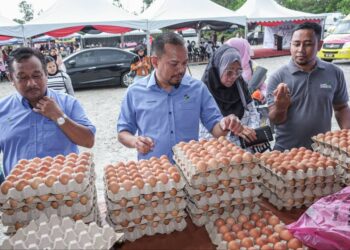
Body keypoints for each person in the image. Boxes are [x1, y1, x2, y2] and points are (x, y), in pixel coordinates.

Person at [117, 32, 243, 160]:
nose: (181, 69)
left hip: (191, 172)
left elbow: (215, 128)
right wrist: (135, 141)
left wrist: (225, 124)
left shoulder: (197, 89)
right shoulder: (135, 92)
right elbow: (123, 133)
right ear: (155, 62)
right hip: (152, 173)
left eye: (184, 63)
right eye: (174, 64)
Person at [0, 47, 96, 176]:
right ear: (11, 78)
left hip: (65, 191)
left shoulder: (68, 103)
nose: (31, 83)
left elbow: (88, 141)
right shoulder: (2, 109)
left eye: (36, 75)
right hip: (19, 193)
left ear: (46, 73)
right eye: (22, 77)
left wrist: (59, 116)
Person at [267, 22, 350, 151]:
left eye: (308, 44)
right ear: (290, 46)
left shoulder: (334, 72)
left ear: (319, 45)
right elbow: (275, 120)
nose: (300, 50)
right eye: (296, 44)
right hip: (285, 154)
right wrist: (281, 107)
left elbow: (341, 107)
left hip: (323, 151)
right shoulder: (278, 78)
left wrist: (347, 137)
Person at [200, 44, 259, 146]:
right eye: (229, 72)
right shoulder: (203, 92)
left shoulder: (240, 85)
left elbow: (253, 111)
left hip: (245, 151)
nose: (234, 76)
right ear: (218, 68)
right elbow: (202, 132)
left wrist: (252, 131)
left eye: (238, 71)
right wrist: (234, 131)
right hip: (217, 152)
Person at [226, 37, 267, 104]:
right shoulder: (224, 67)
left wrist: (262, 95)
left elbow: (263, 87)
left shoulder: (253, 66)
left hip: (252, 106)